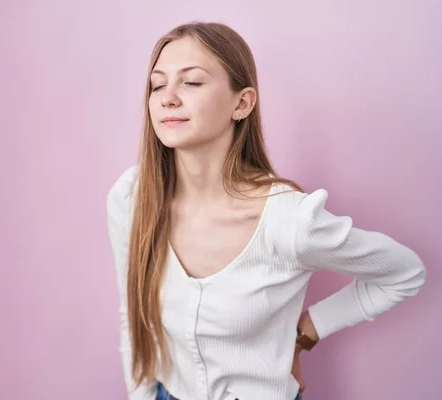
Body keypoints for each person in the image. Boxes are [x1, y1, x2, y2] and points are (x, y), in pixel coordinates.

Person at [106, 21, 426, 400]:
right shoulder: (131, 196)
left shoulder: (289, 220)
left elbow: (404, 272)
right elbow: (133, 317)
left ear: (241, 103)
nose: (168, 98)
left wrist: (308, 331)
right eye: (158, 84)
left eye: (191, 82)